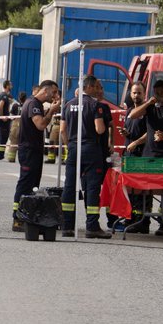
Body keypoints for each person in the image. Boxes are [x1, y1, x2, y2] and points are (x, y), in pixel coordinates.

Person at [126, 79, 163, 237]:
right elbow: (133, 115)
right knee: (145, 189)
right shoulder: (150, 108)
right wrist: (148, 103)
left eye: (161, 92)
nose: (159, 95)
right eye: (156, 92)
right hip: (148, 155)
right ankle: (142, 222)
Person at [60, 75, 112, 239]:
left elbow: (62, 130)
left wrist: (71, 145)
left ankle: (67, 226)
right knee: (92, 188)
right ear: (88, 87)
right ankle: (92, 226)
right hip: (91, 149)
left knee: (69, 187)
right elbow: (100, 130)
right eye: (95, 86)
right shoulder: (95, 105)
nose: (97, 90)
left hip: (74, 148)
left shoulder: (68, 105)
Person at [11, 79, 60, 229]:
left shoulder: (37, 105)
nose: (55, 96)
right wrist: (51, 111)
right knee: (25, 184)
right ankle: (17, 218)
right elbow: (40, 125)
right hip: (29, 151)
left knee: (33, 186)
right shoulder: (33, 104)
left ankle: (28, 216)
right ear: (45, 90)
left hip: (35, 151)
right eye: (54, 92)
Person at [118, 82, 151, 233]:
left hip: (142, 154)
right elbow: (132, 131)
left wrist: (137, 142)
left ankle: (143, 222)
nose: (136, 95)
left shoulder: (148, 111)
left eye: (139, 93)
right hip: (129, 154)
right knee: (130, 190)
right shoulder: (130, 110)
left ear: (144, 94)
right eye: (134, 93)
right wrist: (126, 134)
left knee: (142, 190)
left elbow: (149, 133)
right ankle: (131, 218)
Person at [0, 80, 14, 160]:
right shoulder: (4, 96)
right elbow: (0, 106)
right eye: (10, 85)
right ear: (7, 86)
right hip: (3, 120)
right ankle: (0, 155)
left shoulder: (0, 94)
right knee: (3, 137)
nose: (11, 86)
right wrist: (3, 116)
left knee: (0, 136)